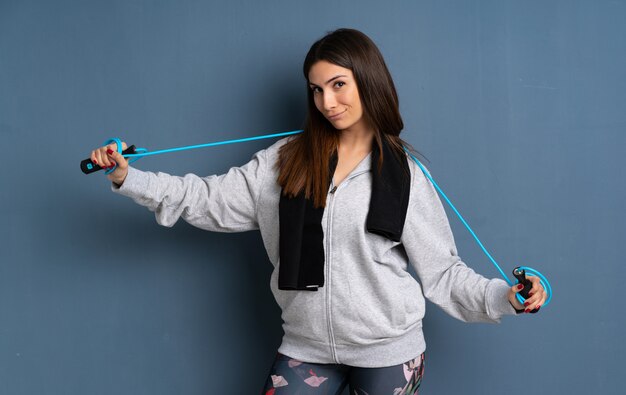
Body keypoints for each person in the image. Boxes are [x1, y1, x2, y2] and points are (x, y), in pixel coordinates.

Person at [90, 28, 546, 395]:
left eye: (339, 84)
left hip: (390, 352)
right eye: (316, 89)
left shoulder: (405, 175)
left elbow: (443, 273)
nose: (328, 102)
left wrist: (505, 296)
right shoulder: (284, 161)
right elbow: (206, 199)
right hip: (305, 347)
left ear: (368, 80)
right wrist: (128, 177)